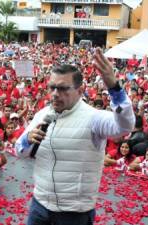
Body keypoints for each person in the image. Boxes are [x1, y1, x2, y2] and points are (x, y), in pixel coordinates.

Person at [15, 48, 135, 225]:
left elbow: (124, 126)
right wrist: (27, 139)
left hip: (74, 213)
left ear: (80, 91)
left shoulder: (94, 118)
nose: (55, 93)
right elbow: (20, 151)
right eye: (52, 87)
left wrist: (114, 87)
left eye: (63, 88)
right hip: (39, 205)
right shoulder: (42, 115)